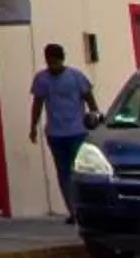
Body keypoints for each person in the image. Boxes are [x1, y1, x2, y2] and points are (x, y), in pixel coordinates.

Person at [28, 43, 99, 223]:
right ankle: (73, 210)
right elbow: (37, 104)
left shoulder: (76, 77)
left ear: (61, 59)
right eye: (49, 62)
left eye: (55, 62)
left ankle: (85, 207)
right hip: (55, 133)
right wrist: (33, 127)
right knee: (63, 172)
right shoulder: (42, 79)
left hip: (78, 131)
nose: (52, 66)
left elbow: (90, 100)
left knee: (79, 171)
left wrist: (96, 121)